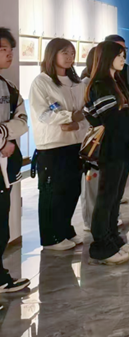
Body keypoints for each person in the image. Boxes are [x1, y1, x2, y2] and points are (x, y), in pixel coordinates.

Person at [84, 41, 129, 265]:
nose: (123, 59)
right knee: (106, 197)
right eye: (119, 55)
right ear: (106, 58)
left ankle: (113, 239)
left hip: (122, 147)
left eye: (123, 55)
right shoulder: (100, 85)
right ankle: (101, 245)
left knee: (116, 197)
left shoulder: (117, 81)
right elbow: (113, 120)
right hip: (110, 148)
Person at [29, 38, 89, 251]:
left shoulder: (77, 83)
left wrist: (77, 122)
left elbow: (85, 111)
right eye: (65, 53)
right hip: (52, 145)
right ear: (52, 55)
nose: (69, 57)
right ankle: (51, 237)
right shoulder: (42, 82)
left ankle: (64, 229)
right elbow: (43, 113)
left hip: (76, 142)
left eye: (72, 53)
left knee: (72, 190)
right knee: (53, 192)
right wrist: (69, 117)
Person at [0, 27, 30, 293]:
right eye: (3, 50)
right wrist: (4, 139)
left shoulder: (8, 87)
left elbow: (22, 120)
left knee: (2, 222)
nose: (9, 54)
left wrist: (5, 136)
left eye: (10, 49)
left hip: (5, 167)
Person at [80, 48, 100, 231]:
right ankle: (91, 219)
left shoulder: (111, 82)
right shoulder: (86, 84)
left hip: (108, 140)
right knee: (91, 181)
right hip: (93, 140)